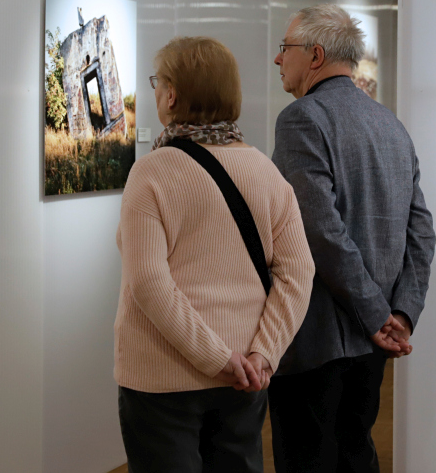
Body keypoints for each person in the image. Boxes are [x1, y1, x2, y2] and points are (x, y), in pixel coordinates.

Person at [114, 36, 315, 473]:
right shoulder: (264, 169)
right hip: (245, 377)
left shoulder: (152, 172)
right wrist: (263, 353)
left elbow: (149, 284)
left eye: (157, 82)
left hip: (163, 379)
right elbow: (299, 273)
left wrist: (216, 358)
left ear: (171, 94)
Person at [269, 4, 436, 473]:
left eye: (286, 48)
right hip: (371, 345)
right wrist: (400, 312)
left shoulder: (301, 119)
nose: (278, 59)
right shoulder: (391, 126)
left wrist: (378, 315)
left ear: (316, 55)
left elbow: (319, 231)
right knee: (355, 454)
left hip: (318, 344)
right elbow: (420, 230)